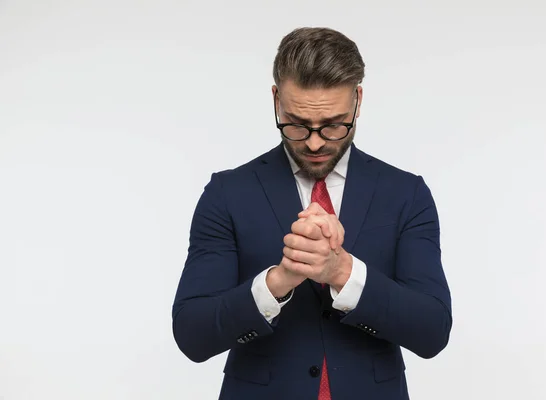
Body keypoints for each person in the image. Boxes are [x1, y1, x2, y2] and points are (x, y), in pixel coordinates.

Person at [172, 27, 452, 400]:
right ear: (276, 99)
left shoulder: (405, 193)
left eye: (334, 125)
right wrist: (279, 281)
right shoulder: (227, 194)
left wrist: (342, 272)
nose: (316, 142)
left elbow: (432, 331)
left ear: (357, 101)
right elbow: (193, 335)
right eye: (297, 124)